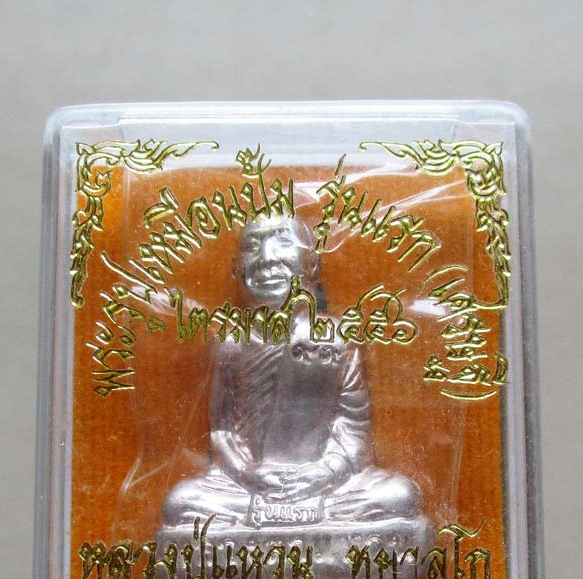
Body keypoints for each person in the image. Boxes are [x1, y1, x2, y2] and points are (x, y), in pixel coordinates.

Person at [161, 213, 421, 529]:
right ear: (236, 268)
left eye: (283, 241)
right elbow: (222, 431)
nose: (266, 258)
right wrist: (247, 474)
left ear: (311, 264)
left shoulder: (337, 338)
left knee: (399, 496)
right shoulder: (232, 342)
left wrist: (324, 474)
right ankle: (292, 519)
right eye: (252, 246)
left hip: (327, 483)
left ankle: (290, 517)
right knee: (180, 502)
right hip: (247, 485)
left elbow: (353, 426)